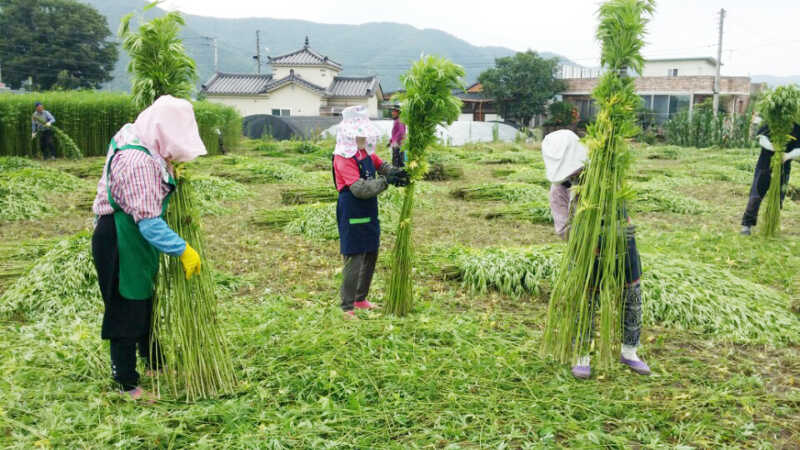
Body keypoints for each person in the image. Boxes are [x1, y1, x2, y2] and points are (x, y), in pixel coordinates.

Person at [91, 95, 206, 400]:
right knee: (126, 305)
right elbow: (149, 222)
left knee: (145, 300)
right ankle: (126, 382)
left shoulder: (142, 139)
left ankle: (154, 362)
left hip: (135, 234)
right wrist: (183, 249)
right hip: (120, 236)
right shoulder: (137, 161)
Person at [543, 129, 650, 379]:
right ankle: (581, 354)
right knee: (584, 302)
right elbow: (564, 231)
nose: (574, 175)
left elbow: (623, 200)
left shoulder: (607, 174)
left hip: (623, 246)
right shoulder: (559, 191)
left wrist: (619, 231)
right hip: (586, 253)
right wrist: (598, 232)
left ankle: (629, 351)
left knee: (631, 297)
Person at [333, 105, 409, 319]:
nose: (363, 136)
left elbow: (382, 165)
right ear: (349, 133)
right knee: (355, 256)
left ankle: (360, 298)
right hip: (353, 208)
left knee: (371, 252)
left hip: (368, 209)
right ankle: (347, 307)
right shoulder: (343, 157)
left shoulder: (365, 151)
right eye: (359, 132)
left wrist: (399, 172)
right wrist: (386, 182)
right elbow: (359, 189)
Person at [740, 123, 800, 235]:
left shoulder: (797, 128)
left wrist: (788, 155)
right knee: (756, 195)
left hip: (783, 168)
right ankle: (746, 225)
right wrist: (774, 148)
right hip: (764, 165)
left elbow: (799, 149)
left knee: (778, 199)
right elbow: (761, 139)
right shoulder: (771, 122)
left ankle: (771, 225)